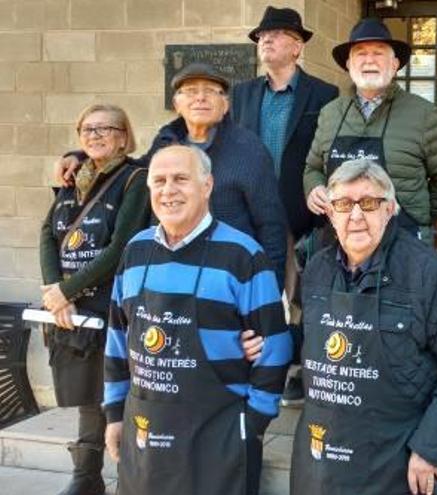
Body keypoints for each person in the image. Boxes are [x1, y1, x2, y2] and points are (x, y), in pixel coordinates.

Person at [292, 159, 437, 495]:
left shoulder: (430, 273)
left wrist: (432, 446)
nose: (356, 215)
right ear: (330, 213)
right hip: (326, 463)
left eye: (369, 203)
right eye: (343, 204)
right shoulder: (317, 271)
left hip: (400, 462)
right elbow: (313, 344)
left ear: (390, 209)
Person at [103, 145, 292, 495]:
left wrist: (252, 424)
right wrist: (115, 414)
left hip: (220, 437)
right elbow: (117, 336)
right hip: (146, 432)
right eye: (159, 180)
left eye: (181, 179)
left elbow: (275, 348)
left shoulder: (244, 254)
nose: (168, 189)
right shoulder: (135, 251)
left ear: (207, 186)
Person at [55, 62, 288, 288]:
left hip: (227, 277)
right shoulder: (165, 142)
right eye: (190, 91)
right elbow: (131, 170)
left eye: (210, 91)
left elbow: (271, 227)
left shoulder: (249, 150)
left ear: (225, 104)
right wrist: (82, 156)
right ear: (176, 103)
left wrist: (268, 294)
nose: (200, 98)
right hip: (167, 273)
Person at [39, 104, 150, 495]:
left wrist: (65, 291)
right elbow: (47, 235)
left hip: (115, 307)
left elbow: (121, 245)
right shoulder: (73, 179)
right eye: (87, 128)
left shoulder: (135, 178)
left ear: (123, 135)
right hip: (72, 309)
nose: (95, 135)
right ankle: (87, 476)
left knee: (122, 391)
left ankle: (131, 478)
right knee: (89, 393)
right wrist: (56, 292)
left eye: (106, 128)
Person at [231, 5, 339, 407]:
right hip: (250, 216)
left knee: (302, 299)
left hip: (299, 214)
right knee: (251, 295)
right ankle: (254, 366)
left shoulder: (324, 95)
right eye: (262, 37)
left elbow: (328, 154)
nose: (266, 42)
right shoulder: (242, 94)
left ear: (296, 46)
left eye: (275, 36)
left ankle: (298, 371)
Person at [304, 18, 437, 241]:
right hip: (343, 240)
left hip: (403, 239)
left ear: (394, 64)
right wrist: (314, 188)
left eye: (378, 53)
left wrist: (418, 215)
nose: (369, 60)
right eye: (360, 53)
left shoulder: (423, 114)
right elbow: (312, 168)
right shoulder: (330, 113)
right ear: (348, 64)